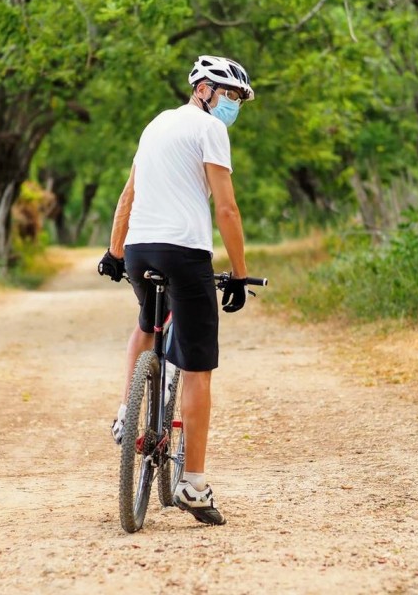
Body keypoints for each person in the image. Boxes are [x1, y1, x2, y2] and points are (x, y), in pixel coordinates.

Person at [98, 55, 254, 526]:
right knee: (199, 364)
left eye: (237, 100)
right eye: (228, 95)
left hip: (142, 249)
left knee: (147, 323)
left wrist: (115, 251)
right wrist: (241, 275)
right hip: (184, 253)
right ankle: (194, 483)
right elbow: (226, 210)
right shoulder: (210, 130)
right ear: (203, 89)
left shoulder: (155, 125)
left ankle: (129, 411)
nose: (232, 106)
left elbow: (129, 193)